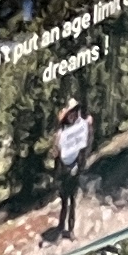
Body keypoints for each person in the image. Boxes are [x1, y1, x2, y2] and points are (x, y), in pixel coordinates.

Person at [50, 96, 94, 241]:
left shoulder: (81, 129)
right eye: (70, 113)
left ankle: (71, 229)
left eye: (74, 113)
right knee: (64, 202)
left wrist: (79, 166)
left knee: (72, 201)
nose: (72, 116)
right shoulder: (62, 133)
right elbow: (56, 154)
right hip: (64, 171)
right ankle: (61, 226)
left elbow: (85, 147)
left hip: (75, 170)